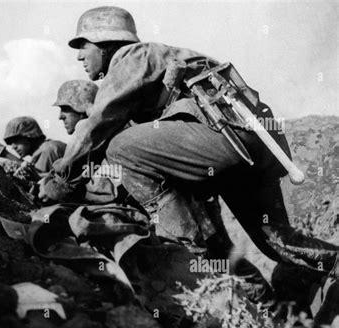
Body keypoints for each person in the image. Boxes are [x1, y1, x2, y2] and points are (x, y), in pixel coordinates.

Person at [52, 6, 338, 283]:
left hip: (221, 139)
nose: (79, 57)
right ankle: (334, 262)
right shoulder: (162, 56)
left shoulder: (132, 56)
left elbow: (101, 121)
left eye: (83, 45)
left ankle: (188, 248)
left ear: (105, 44)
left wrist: (61, 175)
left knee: (120, 147)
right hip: (248, 145)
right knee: (277, 243)